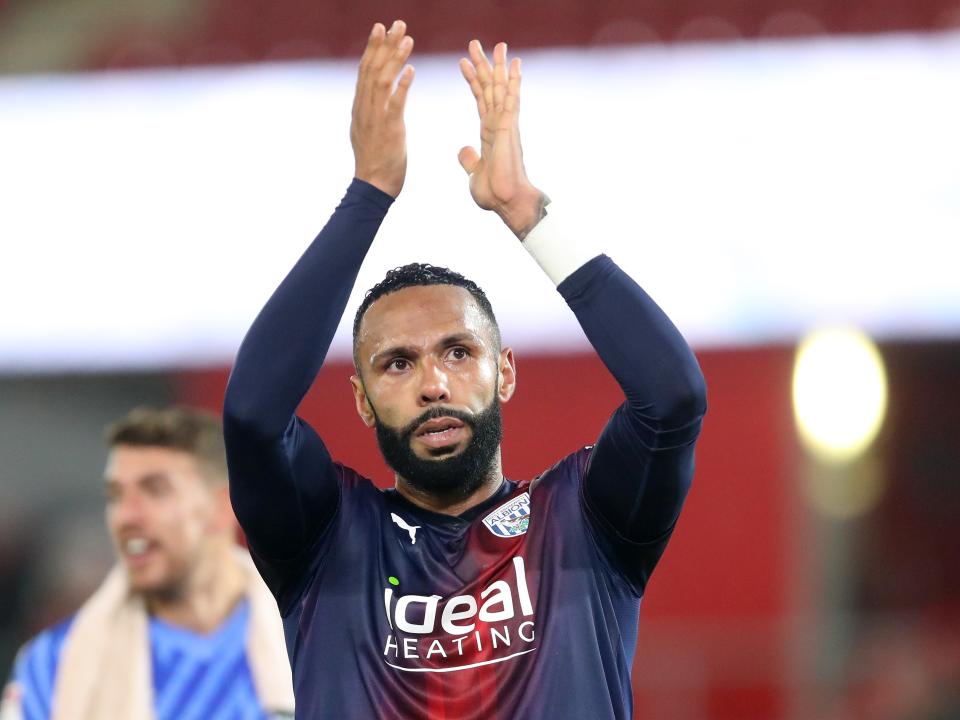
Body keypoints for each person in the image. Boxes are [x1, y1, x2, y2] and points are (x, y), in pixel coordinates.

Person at [223, 19, 706, 720]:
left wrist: (526, 212)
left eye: (458, 351)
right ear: (360, 399)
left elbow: (673, 397)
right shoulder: (326, 536)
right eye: (397, 363)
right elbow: (252, 415)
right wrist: (367, 194)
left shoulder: (586, 519)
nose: (433, 383)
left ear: (503, 372)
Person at [1, 407, 294, 720]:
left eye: (155, 490)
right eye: (116, 495)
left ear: (223, 507)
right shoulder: (53, 666)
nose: (126, 516)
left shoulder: (315, 644)